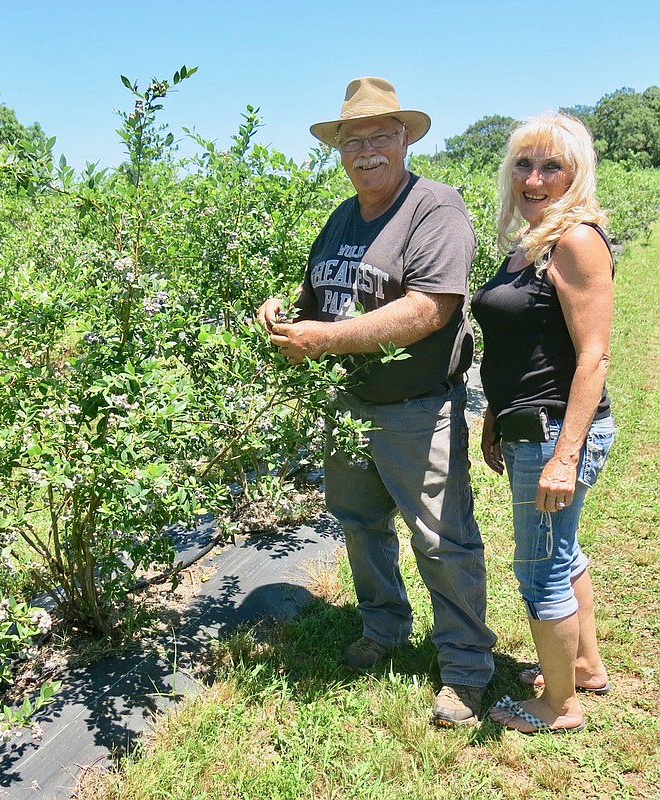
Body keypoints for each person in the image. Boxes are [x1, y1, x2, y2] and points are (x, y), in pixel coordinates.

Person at [257, 77, 496, 727]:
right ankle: (384, 628)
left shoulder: (435, 209)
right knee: (360, 525)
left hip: (418, 408)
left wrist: (322, 338)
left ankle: (468, 669)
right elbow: (321, 296)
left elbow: (429, 310)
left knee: (443, 542)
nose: (365, 150)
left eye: (379, 136)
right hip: (347, 405)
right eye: (352, 139)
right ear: (339, 150)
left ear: (405, 140)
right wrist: (283, 316)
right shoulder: (341, 217)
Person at [471, 113, 615, 733]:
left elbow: (594, 355)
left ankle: (557, 706)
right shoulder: (533, 240)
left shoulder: (575, 240)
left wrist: (564, 456)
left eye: (550, 165)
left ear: (575, 174)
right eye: (523, 165)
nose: (534, 177)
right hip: (530, 425)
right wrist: (496, 420)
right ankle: (584, 667)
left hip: (557, 432)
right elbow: (521, 345)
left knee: (540, 566)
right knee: (563, 551)